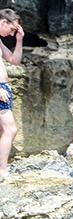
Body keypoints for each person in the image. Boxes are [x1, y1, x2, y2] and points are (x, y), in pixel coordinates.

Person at [0, 9, 24, 180]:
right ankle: (2, 171)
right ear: (3, 22)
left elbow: (14, 61)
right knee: (11, 129)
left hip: (3, 89)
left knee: (6, 130)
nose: (11, 33)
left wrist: (19, 40)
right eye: (12, 29)